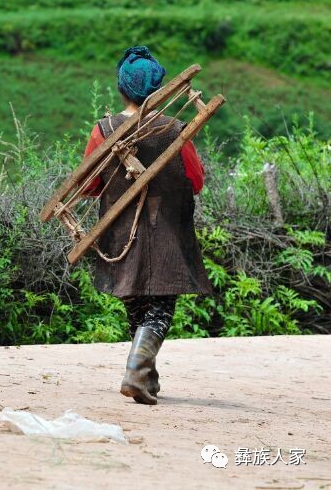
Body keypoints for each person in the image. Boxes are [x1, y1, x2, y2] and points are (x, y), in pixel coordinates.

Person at [82, 46, 212, 405]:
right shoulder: (173, 130)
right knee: (160, 307)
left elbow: (90, 185)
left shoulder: (103, 130)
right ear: (158, 90)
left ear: (121, 89)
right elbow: (195, 181)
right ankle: (138, 373)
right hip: (165, 233)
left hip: (119, 234)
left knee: (138, 305)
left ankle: (145, 378)